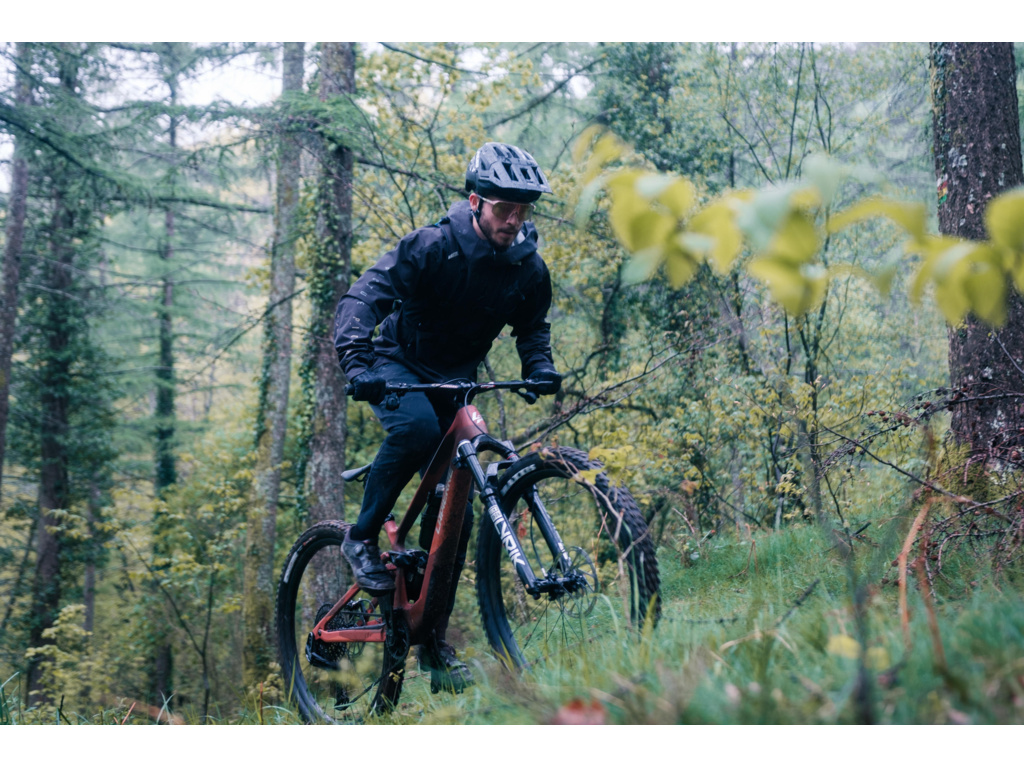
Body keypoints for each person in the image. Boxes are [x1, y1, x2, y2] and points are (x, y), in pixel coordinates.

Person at [332, 142, 562, 692]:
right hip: (397, 365)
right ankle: (360, 538)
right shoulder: (432, 246)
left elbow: (532, 326)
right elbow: (363, 298)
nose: (514, 219)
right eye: (503, 207)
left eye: (523, 209)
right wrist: (358, 362)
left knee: (454, 513)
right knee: (416, 429)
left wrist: (538, 366)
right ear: (476, 201)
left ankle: (432, 645)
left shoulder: (528, 268)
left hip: (456, 380)